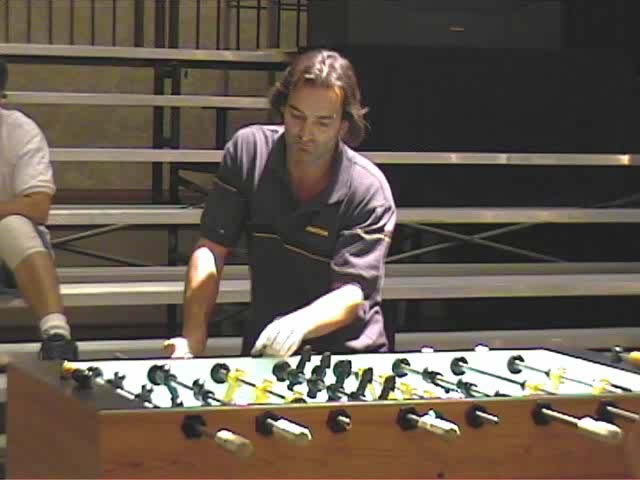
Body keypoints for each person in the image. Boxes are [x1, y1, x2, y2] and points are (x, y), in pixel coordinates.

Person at [166, 49, 396, 358]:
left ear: (343, 125)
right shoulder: (248, 152)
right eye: (297, 116)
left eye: (322, 123)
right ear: (282, 108)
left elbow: (352, 292)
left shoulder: (368, 190)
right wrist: (192, 339)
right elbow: (211, 249)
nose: (305, 133)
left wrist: (299, 324)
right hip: (266, 349)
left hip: (349, 357)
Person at [0, 59, 78, 360]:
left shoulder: (19, 130)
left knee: (12, 225)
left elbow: (38, 205)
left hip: (11, 256)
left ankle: (57, 336)